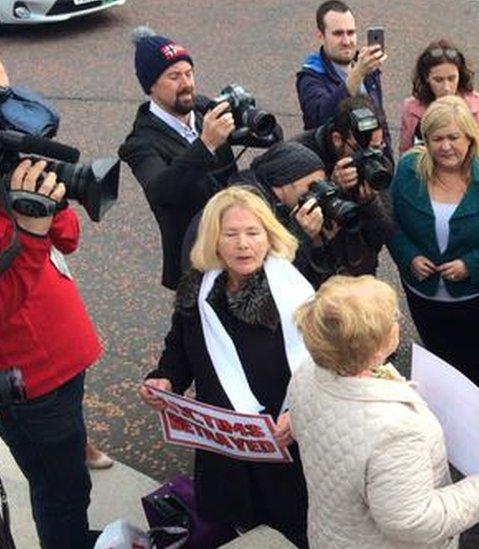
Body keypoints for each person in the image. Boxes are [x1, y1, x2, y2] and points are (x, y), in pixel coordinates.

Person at [138, 187, 311, 547]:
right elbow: (179, 353)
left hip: (286, 441)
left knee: (293, 528)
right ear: (214, 241)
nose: (243, 245)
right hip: (225, 447)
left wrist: (303, 413)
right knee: (235, 528)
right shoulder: (196, 291)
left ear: (269, 235)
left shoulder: (295, 291)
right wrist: (164, 380)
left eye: (253, 233)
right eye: (230, 235)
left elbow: (324, 363)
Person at [286, 275, 479, 548]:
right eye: (392, 316)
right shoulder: (396, 431)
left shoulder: (307, 372)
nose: (397, 321)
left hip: (334, 532)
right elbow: (413, 522)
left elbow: (304, 429)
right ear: (377, 345)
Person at [0, 159, 102, 548]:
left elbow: (68, 236)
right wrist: (28, 232)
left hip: (60, 364)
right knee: (61, 488)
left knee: (69, 478)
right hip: (31, 381)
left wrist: (42, 200)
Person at [119, 27, 239, 290]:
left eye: (188, 73)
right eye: (174, 77)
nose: (187, 84)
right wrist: (206, 144)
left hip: (238, 238)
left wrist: (256, 124)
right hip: (195, 259)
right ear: (151, 86)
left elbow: (267, 134)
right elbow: (161, 191)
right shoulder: (139, 143)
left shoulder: (203, 107)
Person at [387, 96, 479, 387]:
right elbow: (391, 222)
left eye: (454, 137)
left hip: (475, 299)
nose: (446, 147)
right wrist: (408, 257)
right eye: (437, 138)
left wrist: (472, 264)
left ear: (470, 137)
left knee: (475, 369)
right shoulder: (408, 170)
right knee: (438, 362)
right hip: (423, 296)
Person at [290, 95, 395, 278]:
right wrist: (330, 187)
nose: (370, 156)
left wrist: (370, 203)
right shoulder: (300, 156)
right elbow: (288, 235)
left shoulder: (378, 163)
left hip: (361, 272)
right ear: (338, 138)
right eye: (361, 150)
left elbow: (384, 235)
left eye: (376, 148)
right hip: (316, 277)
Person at [296, 0, 393, 161]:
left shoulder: (367, 68)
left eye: (351, 32)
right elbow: (319, 119)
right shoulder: (310, 77)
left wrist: (389, 164)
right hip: (335, 170)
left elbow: (381, 121)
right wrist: (358, 73)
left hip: (373, 165)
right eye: (338, 33)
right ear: (321, 36)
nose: (347, 41)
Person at [398, 39, 479, 155]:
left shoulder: (476, 104)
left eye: (452, 79)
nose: (446, 87)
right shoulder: (411, 109)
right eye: (438, 80)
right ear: (426, 78)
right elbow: (405, 152)